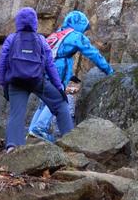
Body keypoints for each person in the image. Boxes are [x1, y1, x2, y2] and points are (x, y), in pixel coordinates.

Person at [28, 10, 114, 142]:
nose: (84, 32)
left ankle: (31, 132)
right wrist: (108, 70)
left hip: (39, 70)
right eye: (84, 28)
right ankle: (40, 128)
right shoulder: (75, 36)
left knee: (44, 102)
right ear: (79, 24)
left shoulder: (55, 35)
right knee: (57, 98)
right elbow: (92, 53)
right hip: (56, 68)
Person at [0, 7, 73, 152]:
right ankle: (70, 142)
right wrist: (59, 86)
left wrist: (3, 83)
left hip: (15, 81)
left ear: (18, 22)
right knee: (61, 104)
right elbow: (50, 65)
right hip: (37, 80)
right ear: (35, 23)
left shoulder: (11, 39)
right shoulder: (40, 40)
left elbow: (2, 62)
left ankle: (13, 147)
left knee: (16, 114)